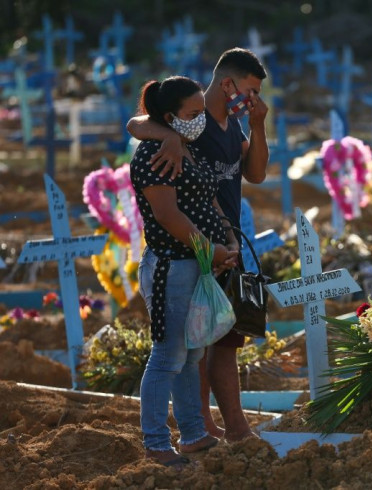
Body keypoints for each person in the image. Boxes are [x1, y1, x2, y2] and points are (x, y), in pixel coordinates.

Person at [127, 48, 269, 442]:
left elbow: (255, 173)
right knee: (193, 348)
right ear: (229, 84)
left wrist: (258, 126)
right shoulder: (190, 121)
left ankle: (220, 430)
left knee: (221, 342)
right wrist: (168, 134)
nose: (253, 99)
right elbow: (137, 123)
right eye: (250, 90)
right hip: (190, 252)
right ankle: (199, 429)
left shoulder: (229, 127)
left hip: (222, 248)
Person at [130, 75, 240, 466]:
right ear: (169, 117)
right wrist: (208, 248)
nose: (200, 120)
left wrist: (227, 238)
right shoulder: (152, 156)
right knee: (167, 356)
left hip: (198, 263)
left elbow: (209, 200)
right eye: (192, 114)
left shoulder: (186, 148)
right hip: (171, 267)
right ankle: (157, 442)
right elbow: (167, 214)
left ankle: (194, 434)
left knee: (191, 355)